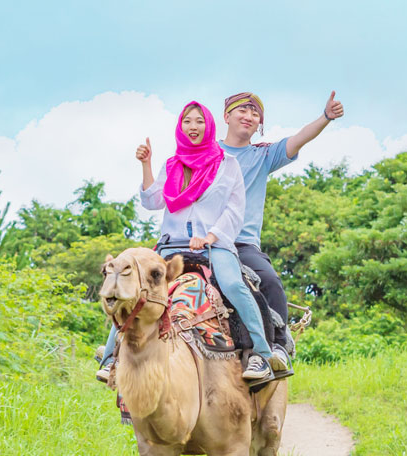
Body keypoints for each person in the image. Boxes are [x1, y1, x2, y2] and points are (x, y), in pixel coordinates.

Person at [97, 101, 275, 384]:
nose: (193, 127)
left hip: (213, 245)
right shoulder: (173, 164)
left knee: (233, 285)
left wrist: (210, 237)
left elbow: (234, 210)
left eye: (199, 122)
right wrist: (146, 165)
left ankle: (262, 354)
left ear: (209, 125)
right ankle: (110, 358)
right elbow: (152, 201)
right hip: (170, 247)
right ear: (180, 127)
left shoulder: (227, 164)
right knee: (134, 287)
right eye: (187, 122)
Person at [219, 91, 344, 370]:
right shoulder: (207, 155)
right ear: (226, 116)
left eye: (255, 114)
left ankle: (277, 346)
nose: (249, 117)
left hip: (241, 246)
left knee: (271, 282)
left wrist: (325, 117)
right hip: (203, 242)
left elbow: (299, 138)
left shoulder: (262, 156)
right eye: (243, 111)